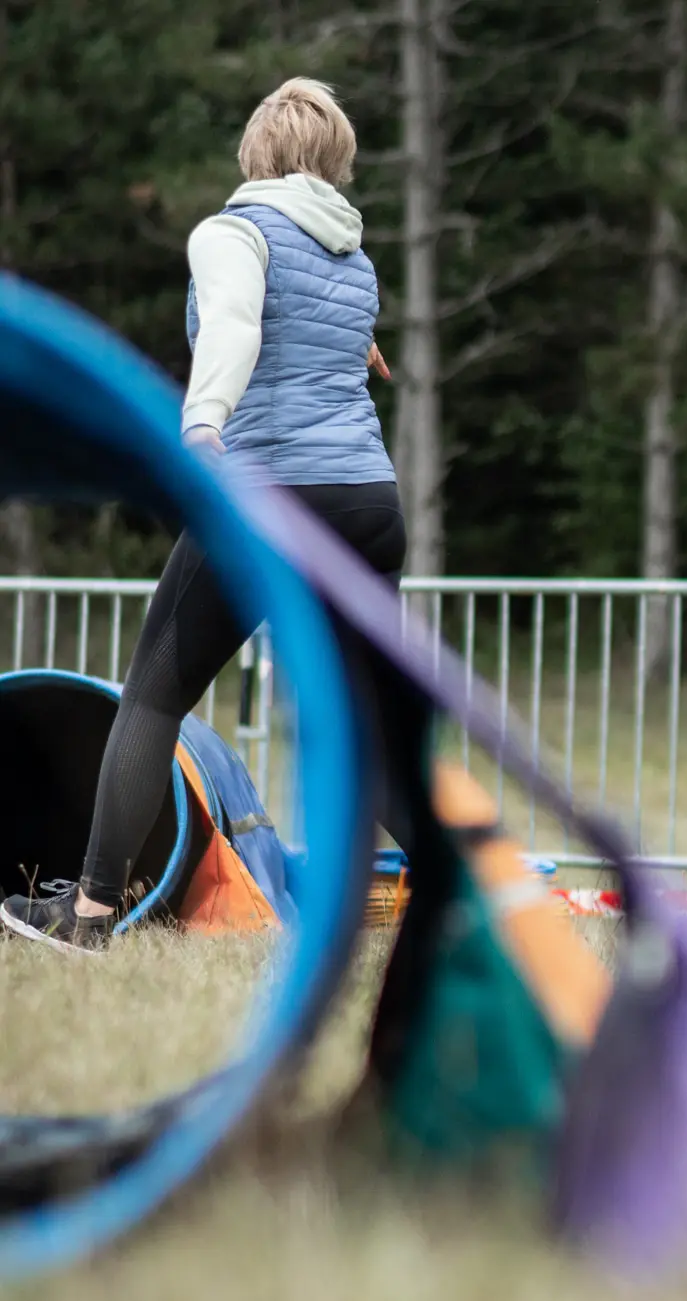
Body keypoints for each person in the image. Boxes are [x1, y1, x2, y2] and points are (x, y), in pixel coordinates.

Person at [1, 78, 407, 953]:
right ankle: (467, 901)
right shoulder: (353, 253)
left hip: (271, 491)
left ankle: (91, 913)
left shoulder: (234, 231)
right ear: (333, 161)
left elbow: (233, 324)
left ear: (255, 155)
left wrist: (200, 422)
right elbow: (319, 332)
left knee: (151, 698)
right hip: (368, 502)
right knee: (373, 720)